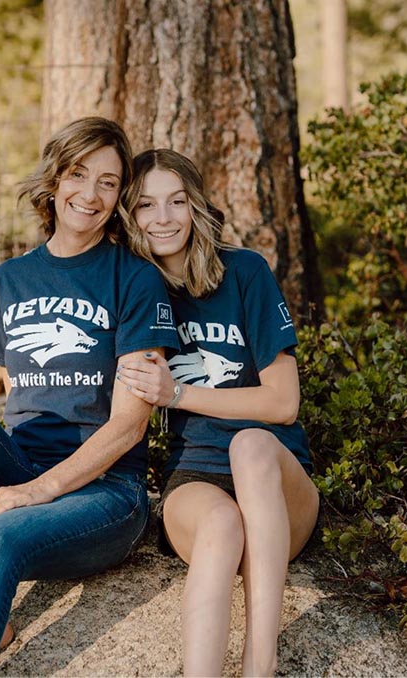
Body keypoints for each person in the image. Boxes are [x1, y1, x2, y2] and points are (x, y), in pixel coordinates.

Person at [0, 119, 179, 677]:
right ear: (55, 179)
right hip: (26, 466)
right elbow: (17, 398)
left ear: (120, 196)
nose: (91, 194)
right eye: (79, 174)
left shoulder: (136, 280)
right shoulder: (8, 280)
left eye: (109, 182)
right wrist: (21, 482)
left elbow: (130, 426)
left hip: (105, 494)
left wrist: (37, 492)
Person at [116, 148, 319, 676]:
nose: (163, 218)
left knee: (249, 444)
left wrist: (178, 395)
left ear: (196, 206)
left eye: (176, 201)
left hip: (277, 480)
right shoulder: (137, 291)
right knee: (223, 524)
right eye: (145, 206)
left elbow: (282, 402)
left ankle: (260, 664)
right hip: (194, 476)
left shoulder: (245, 271)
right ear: (128, 216)